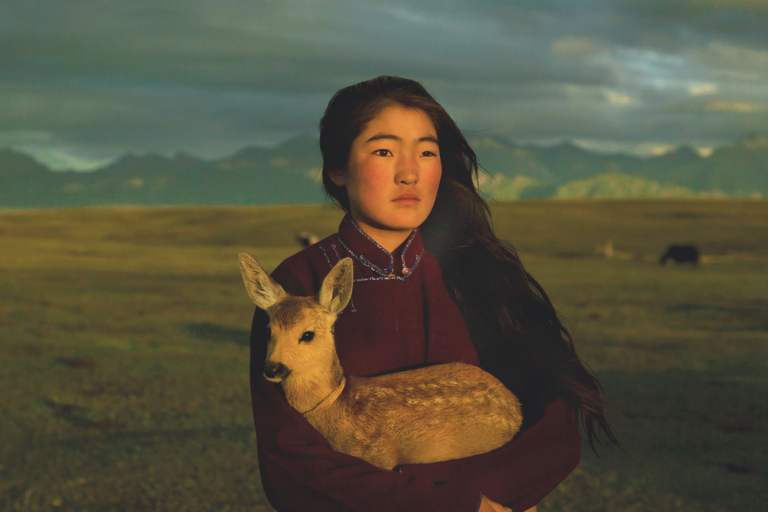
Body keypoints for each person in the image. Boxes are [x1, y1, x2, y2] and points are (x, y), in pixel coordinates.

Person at [249, 76, 618, 512]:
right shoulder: (296, 285)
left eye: (427, 151)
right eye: (384, 151)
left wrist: (485, 500)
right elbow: (289, 458)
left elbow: (554, 427)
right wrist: (455, 504)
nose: (410, 172)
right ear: (337, 167)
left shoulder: (480, 272)